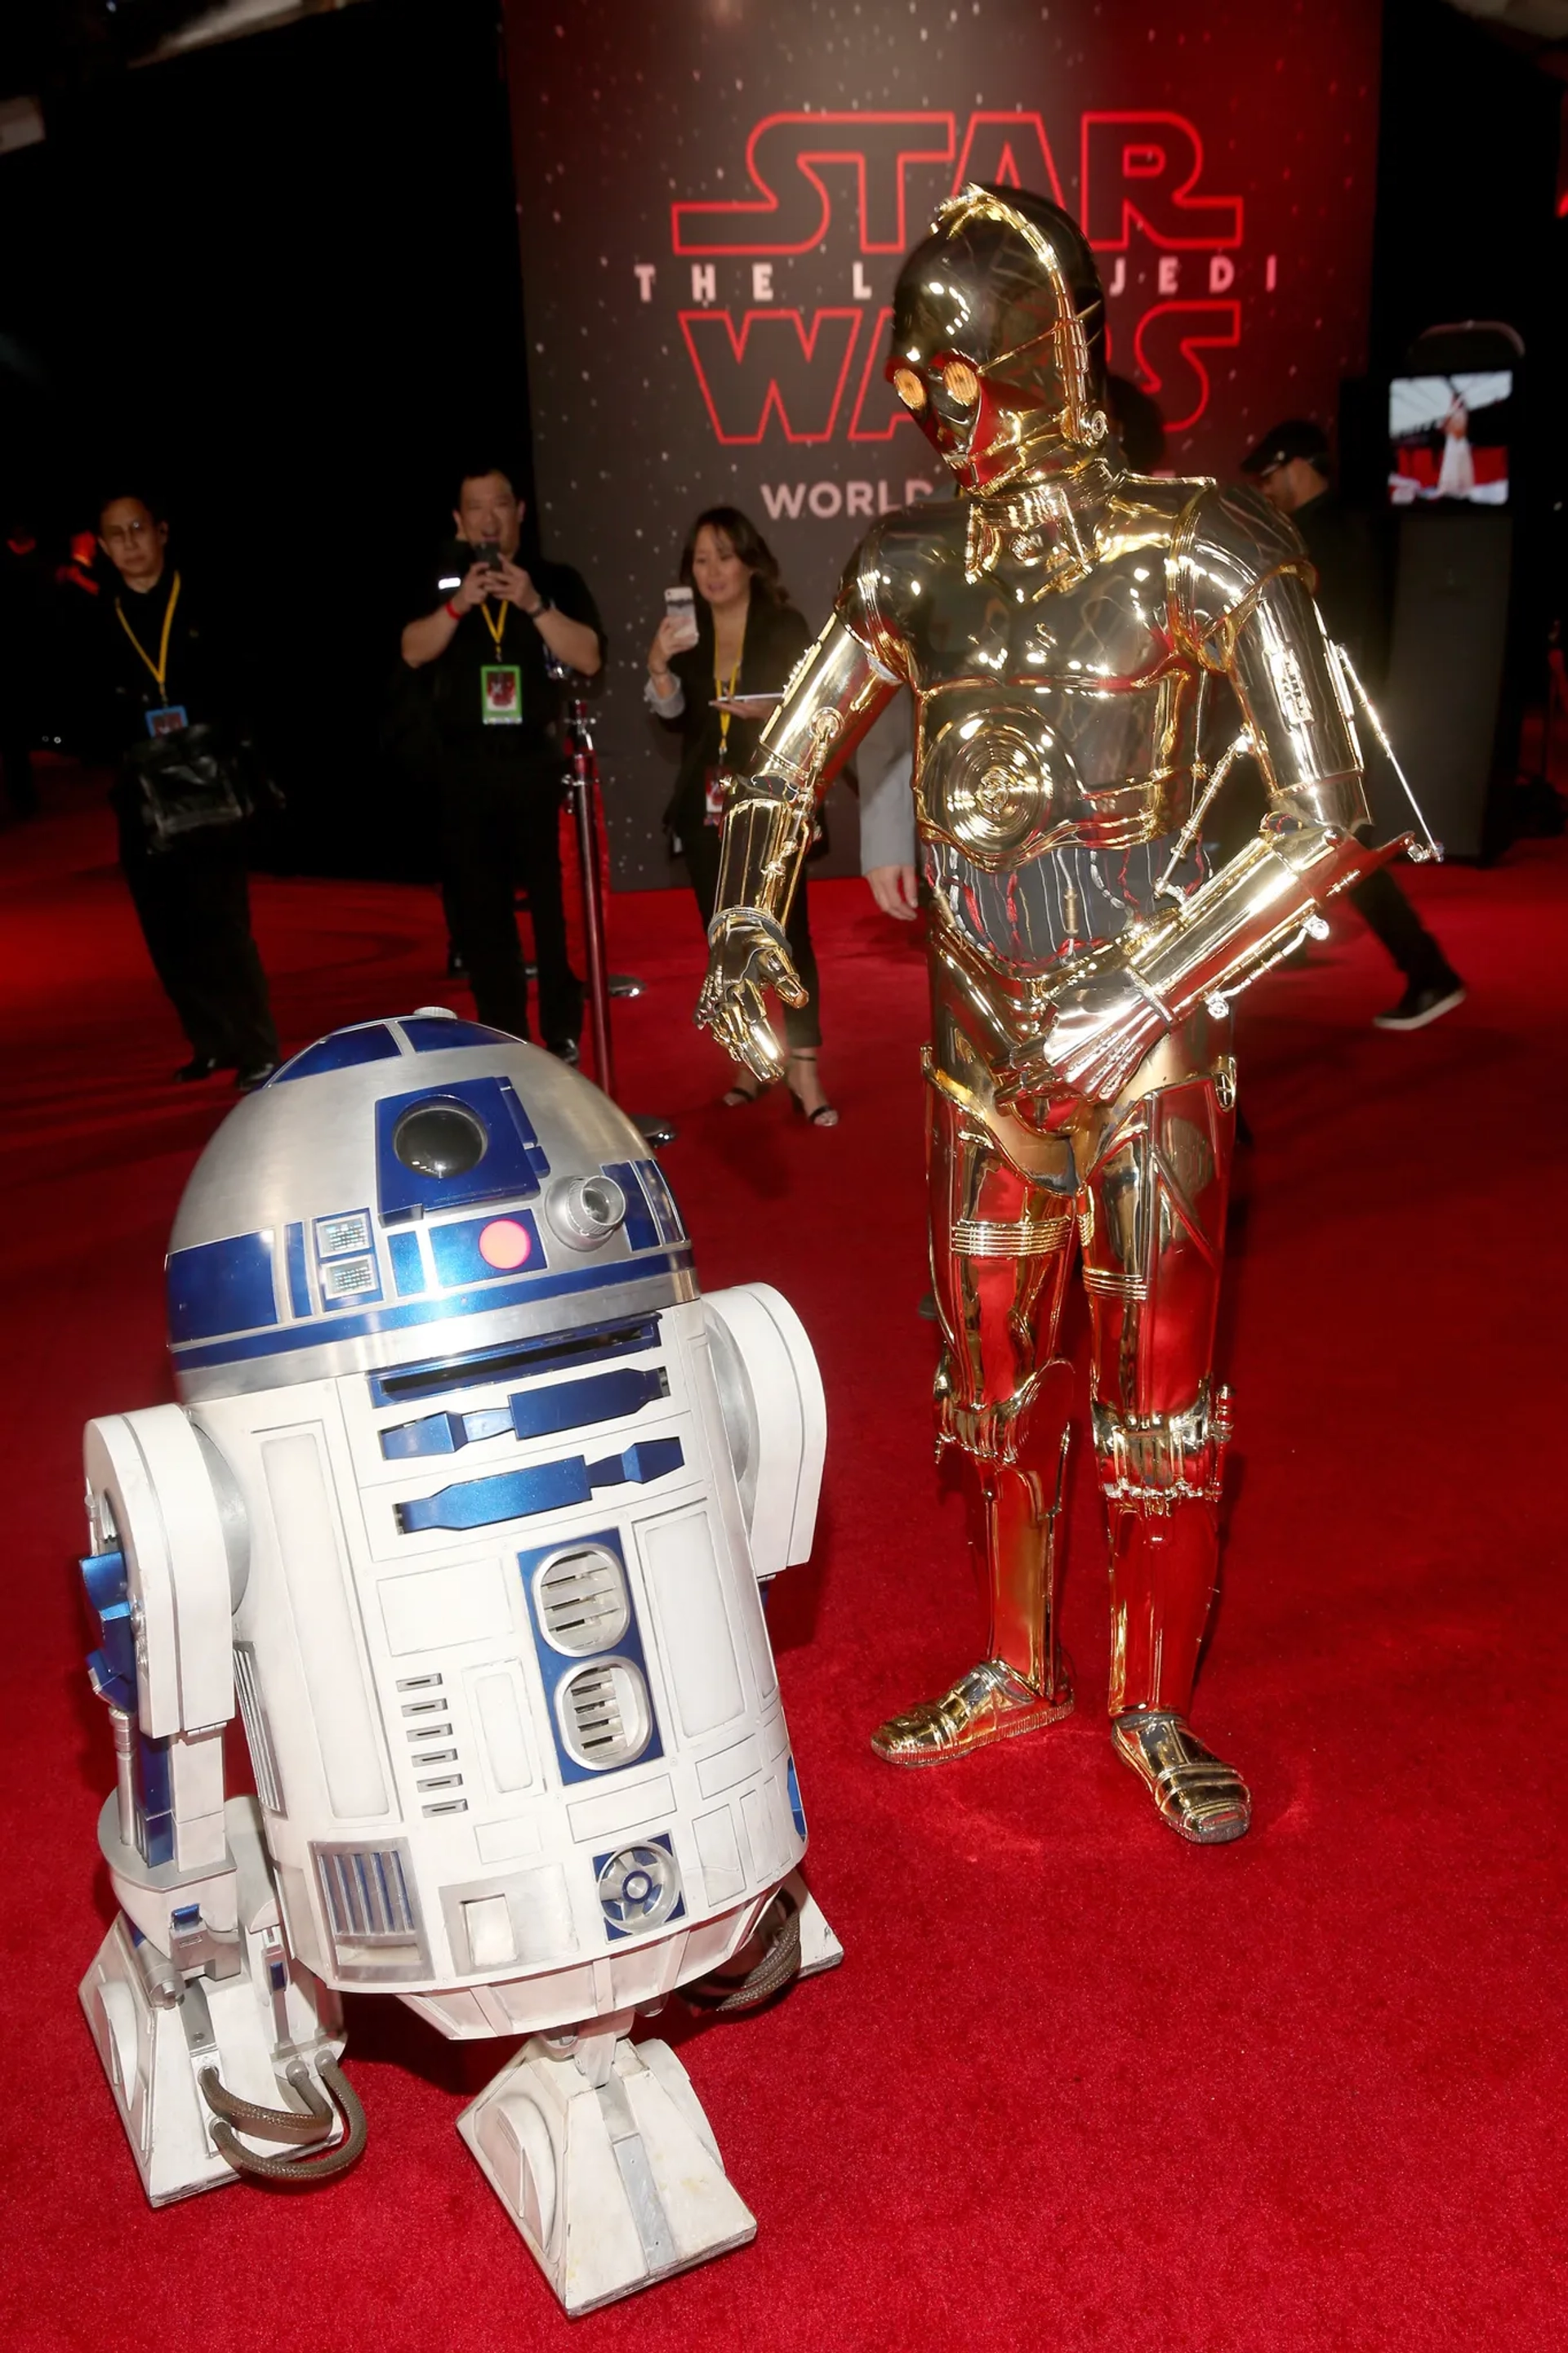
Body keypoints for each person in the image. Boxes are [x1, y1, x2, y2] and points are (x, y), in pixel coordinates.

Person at [700, 185, 1406, 1845]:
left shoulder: (1199, 543)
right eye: (915, 384)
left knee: (1162, 1398)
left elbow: (1330, 811)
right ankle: (1020, 1661)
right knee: (990, 1377)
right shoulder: (907, 568)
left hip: (1144, 1049)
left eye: (956, 378)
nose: (930, 415)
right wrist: (745, 919)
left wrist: (1153, 977)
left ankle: (1152, 1700)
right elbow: (786, 759)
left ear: (1045, 358)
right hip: (977, 1058)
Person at [1241, 418, 1466, 1030]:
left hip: (1323, 722)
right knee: (1318, 842)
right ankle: (1392, 961)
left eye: (1270, 476)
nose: (1265, 488)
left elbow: (1330, 640)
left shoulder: (1320, 539)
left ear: (1300, 466)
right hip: (1322, 717)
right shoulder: (1323, 532)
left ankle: (1429, 971)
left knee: (1346, 848)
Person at [401, 463, 602, 1056]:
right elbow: (413, 651)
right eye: (476, 509)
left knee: (552, 907)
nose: (490, 519)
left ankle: (562, 1030)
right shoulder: (444, 580)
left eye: (500, 505)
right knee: (482, 912)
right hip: (465, 766)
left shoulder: (555, 579)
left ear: (519, 511)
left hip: (535, 762)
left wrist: (535, 605)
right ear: (460, 522)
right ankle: (504, 1034)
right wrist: (461, 602)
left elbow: (589, 657)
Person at [646, 506, 835, 1122]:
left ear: (751, 561)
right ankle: (750, 1063)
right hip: (708, 804)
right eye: (700, 560)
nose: (712, 571)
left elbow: (817, 714)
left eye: (723, 556)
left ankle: (804, 1073)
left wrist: (772, 717)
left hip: (772, 799)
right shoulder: (684, 630)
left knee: (789, 935)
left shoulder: (785, 624)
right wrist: (658, 666)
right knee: (725, 940)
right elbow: (672, 719)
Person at [95, 489, 279, 1089]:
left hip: (208, 782)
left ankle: (257, 1045)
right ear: (102, 546)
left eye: (138, 528)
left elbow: (247, 681)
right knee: (166, 930)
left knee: (222, 923)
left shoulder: (204, 599)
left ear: (161, 531)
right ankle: (211, 1041)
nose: (129, 543)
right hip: (144, 790)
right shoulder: (96, 614)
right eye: (116, 535)